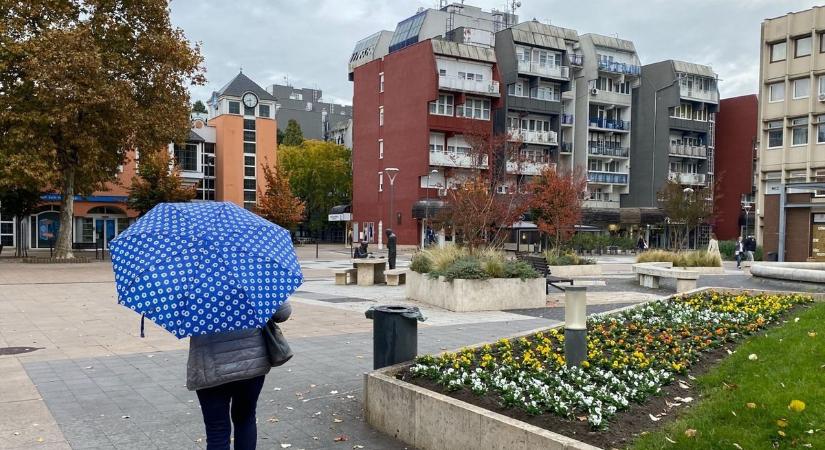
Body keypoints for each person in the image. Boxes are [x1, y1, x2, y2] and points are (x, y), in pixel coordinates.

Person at [187, 303, 292, 450]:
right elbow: (283, 313)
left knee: (217, 429)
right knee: (245, 418)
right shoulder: (253, 280)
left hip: (208, 367)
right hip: (250, 363)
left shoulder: (190, 287)